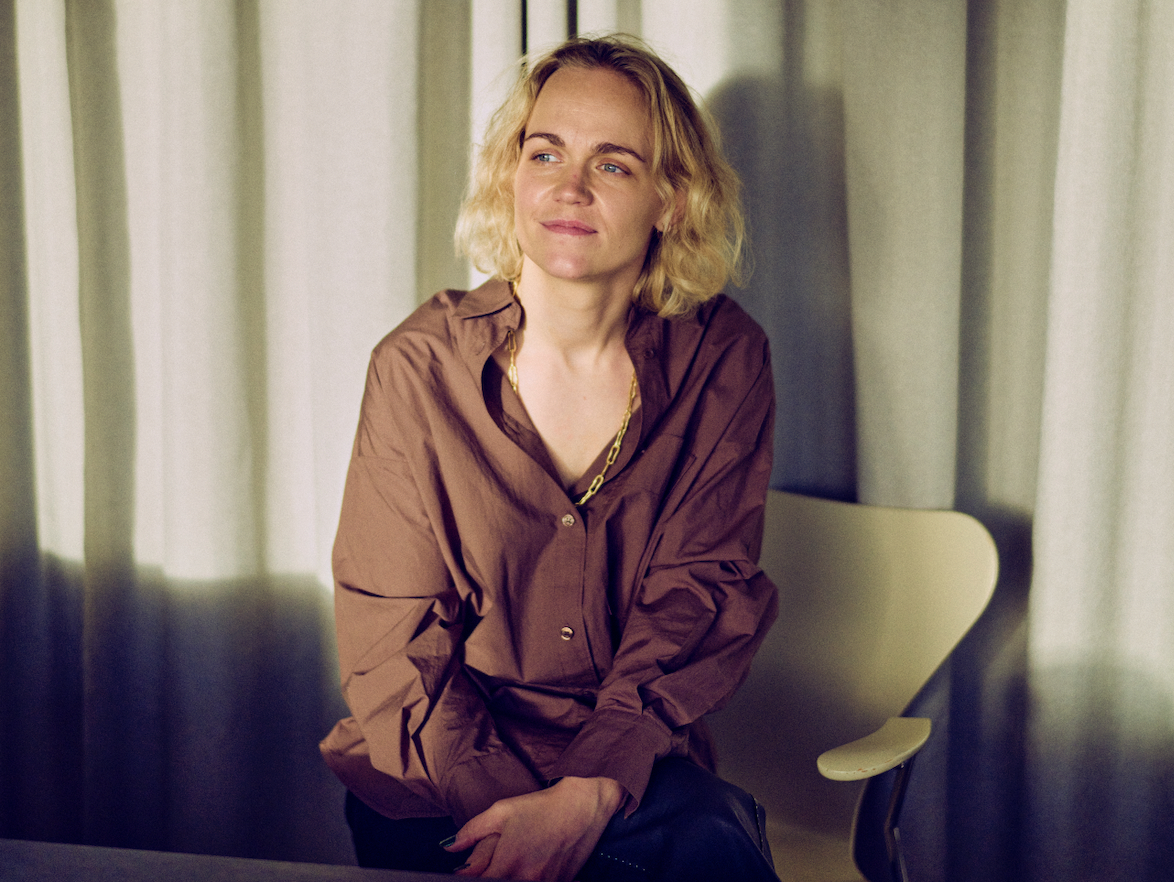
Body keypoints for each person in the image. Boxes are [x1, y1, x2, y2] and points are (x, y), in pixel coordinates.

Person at [320, 34, 780, 882]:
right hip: (441, 767)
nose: (570, 187)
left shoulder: (725, 360)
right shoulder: (417, 369)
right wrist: (517, 817)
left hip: (631, 762)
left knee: (716, 848)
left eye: (613, 164)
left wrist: (590, 790)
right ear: (512, 176)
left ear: (671, 200)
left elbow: (697, 593)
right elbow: (395, 640)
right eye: (546, 153)